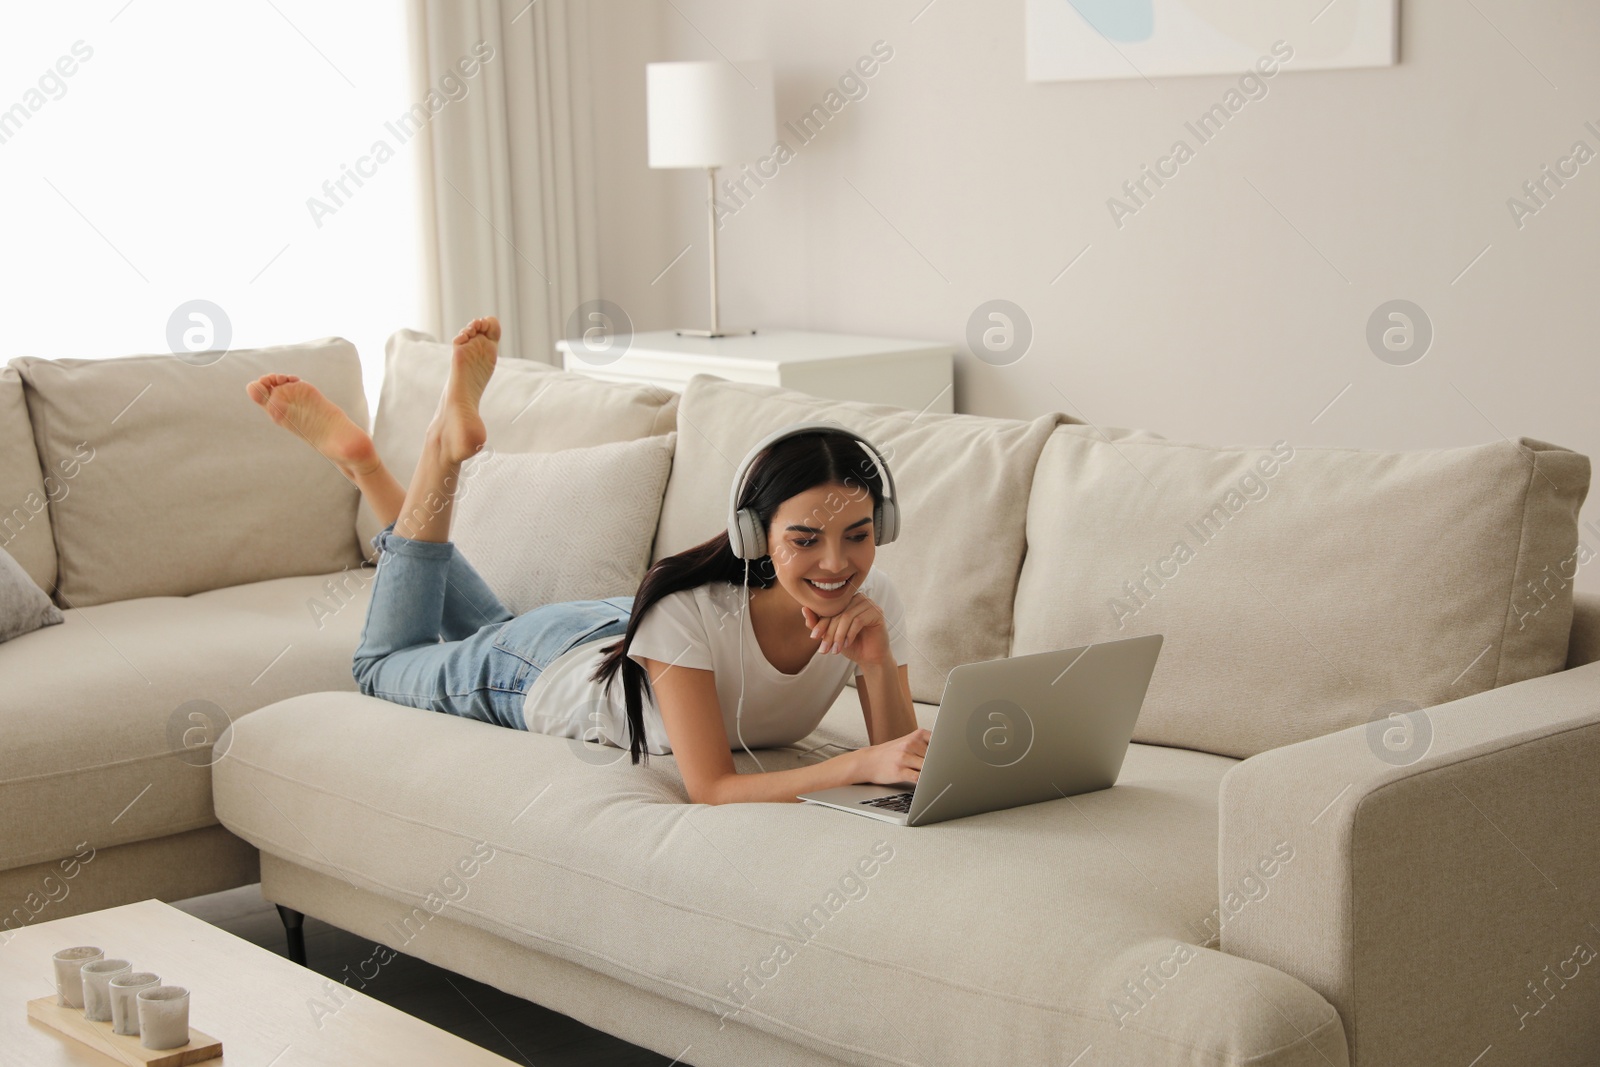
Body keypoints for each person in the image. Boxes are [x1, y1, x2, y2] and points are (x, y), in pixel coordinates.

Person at [246, 315, 930, 805]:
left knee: (490, 627)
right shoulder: (690, 611)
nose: (838, 563)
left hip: (613, 633)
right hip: (544, 671)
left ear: (883, 527)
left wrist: (873, 664)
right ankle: (432, 451)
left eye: (859, 534)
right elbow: (714, 787)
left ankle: (368, 475)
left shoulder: (875, 605)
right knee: (382, 664)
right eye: (805, 539)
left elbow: (901, 762)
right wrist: (852, 766)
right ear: (754, 534)